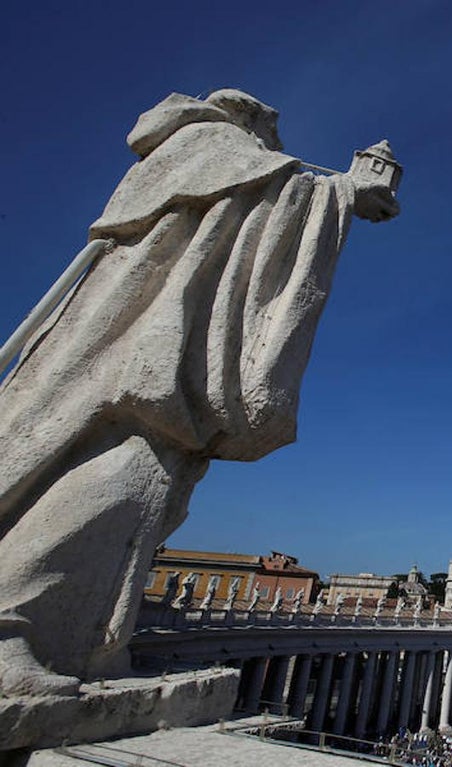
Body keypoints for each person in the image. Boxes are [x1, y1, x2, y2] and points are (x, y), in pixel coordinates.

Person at [0, 89, 399, 695]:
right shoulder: (211, 144)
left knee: (144, 480)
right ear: (243, 118)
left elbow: (267, 197)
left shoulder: (207, 159)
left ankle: (61, 633)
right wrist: (344, 189)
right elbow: (269, 198)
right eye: (272, 135)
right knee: (119, 473)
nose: (278, 148)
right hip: (151, 344)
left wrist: (339, 190)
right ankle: (17, 625)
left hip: (144, 342)